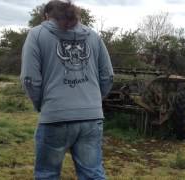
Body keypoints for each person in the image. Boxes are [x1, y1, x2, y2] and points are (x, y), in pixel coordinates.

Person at [20, 0, 113, 179]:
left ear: (47, 16)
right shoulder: (94, 36)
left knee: (47, 174)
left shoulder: (36, 34)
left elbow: (30, 79)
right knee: (92, 173)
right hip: (91, 118)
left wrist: (42, 105)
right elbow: (108, 76)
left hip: (54, 116)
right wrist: (92, 101)